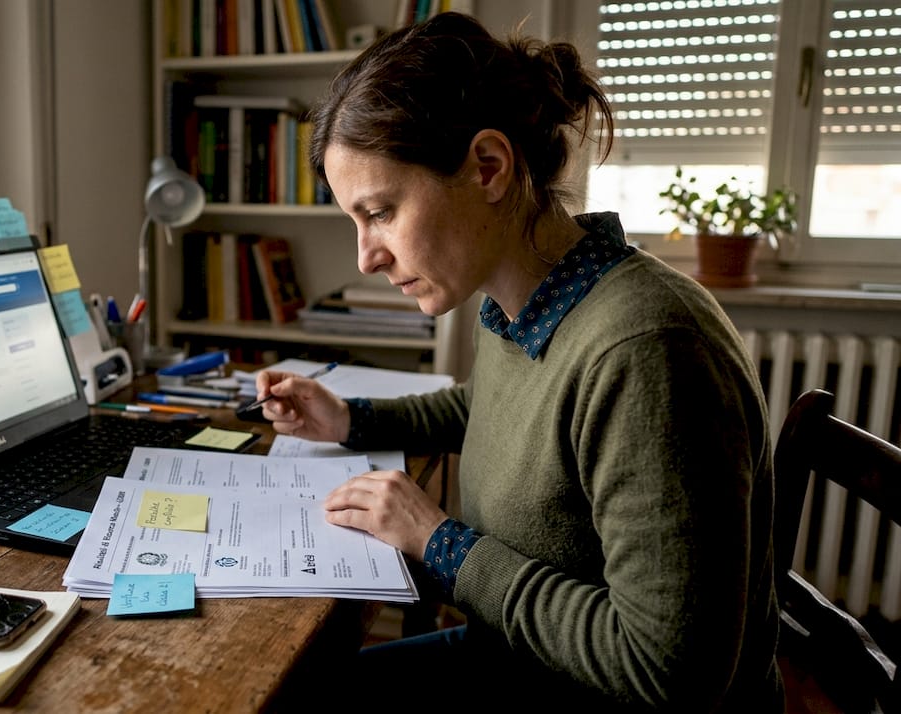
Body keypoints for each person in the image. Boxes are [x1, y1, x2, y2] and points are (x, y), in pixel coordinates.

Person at [255, 12, 782, 712]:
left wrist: (438, 542)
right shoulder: (522, 304)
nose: (366, 257)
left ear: (488, 167)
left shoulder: (647, 351)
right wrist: (350, 419)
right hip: (518, 661)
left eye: (380, 212)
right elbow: (491, 407)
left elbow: (668, 674)